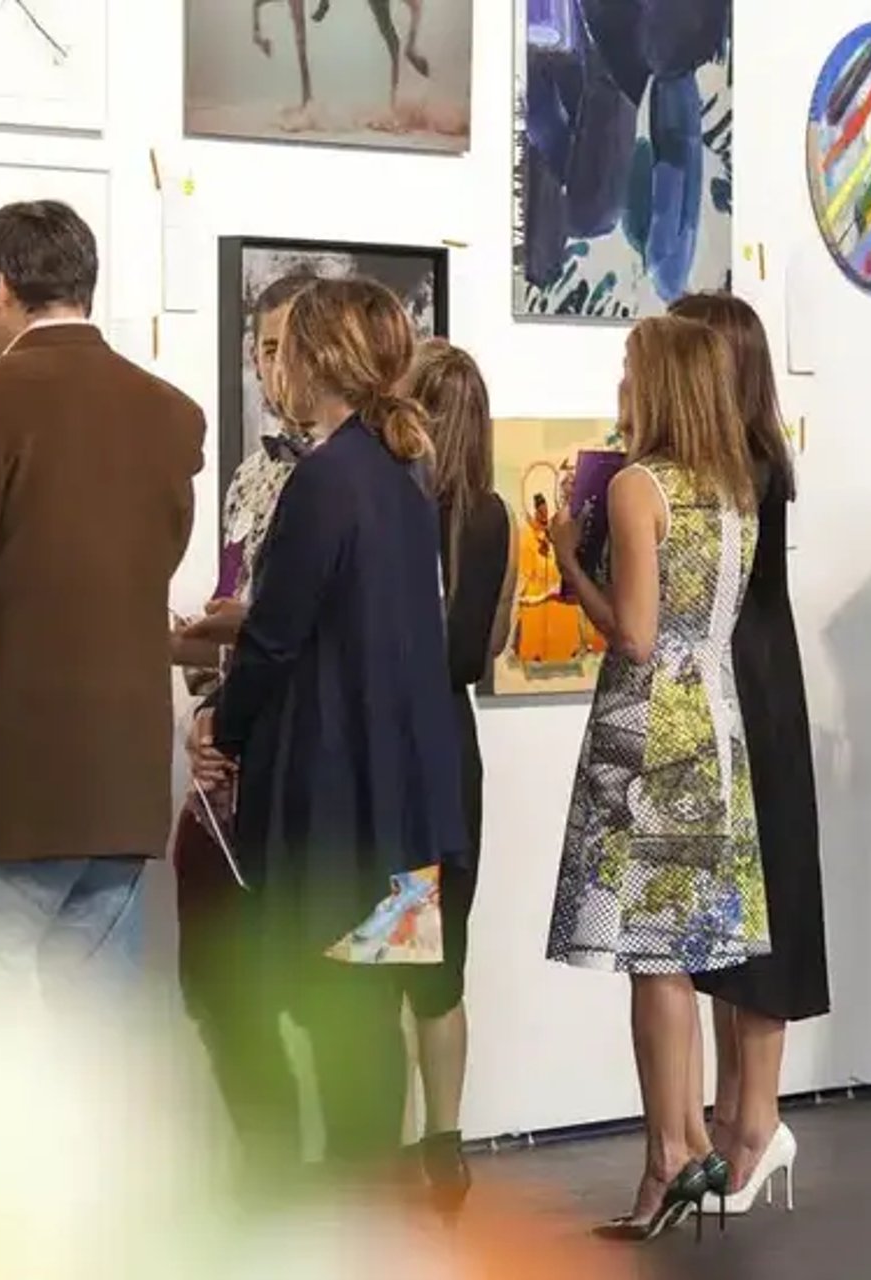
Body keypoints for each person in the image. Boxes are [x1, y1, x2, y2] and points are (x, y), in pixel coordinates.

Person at [0, 200, 203, 994]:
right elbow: (147, 561)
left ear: (0, 287)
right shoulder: (169, 413)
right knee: (89, 1063)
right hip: (119, 791)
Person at [187, 276, 464, 1173]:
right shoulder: (402, 471)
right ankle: (376, 1209)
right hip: (405, 805)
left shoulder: (327, 478)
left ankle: (353, 1213)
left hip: (336, 807)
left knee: (335, 1013)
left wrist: (222, 731)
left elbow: (273, 640)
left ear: (319, 359)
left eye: (287, 349)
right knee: (371, 1014)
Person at [544, 315, 764, 1240]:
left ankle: (665, 1156)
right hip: (716, 723)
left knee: (651, 958)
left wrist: (565, 557)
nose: (621, 381)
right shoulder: (732, 488)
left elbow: (632, 633)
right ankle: (679, 1146)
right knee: (673, 956)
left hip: (648, 730)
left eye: (630, 368)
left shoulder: (641, 488)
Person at [668, 293, 826, 1216]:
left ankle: (756, 1121)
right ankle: (736, 1119)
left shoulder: (749, 470)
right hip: (737, 688)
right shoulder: (729, 466)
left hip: (753, 699)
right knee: (727, 916)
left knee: (759, 912)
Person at [166, 271, 317, 1157]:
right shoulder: (254, 475)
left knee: (362, 995)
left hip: (329, 771)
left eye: (288, 347)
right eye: (261, 348)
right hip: (238, 772)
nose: (271, 367)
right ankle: (269, 1163)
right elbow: (233, 607)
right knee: (216, 981)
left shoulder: (371, 473)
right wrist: (209, 707)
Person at [400, 338, 518, 1216]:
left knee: (381, 956)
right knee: (443, 970)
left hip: (396, 753)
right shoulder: (496, 518)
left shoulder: (393, 513)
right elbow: (494, 648)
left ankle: (390, 1145)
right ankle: (446, 1144)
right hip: (456, 751)